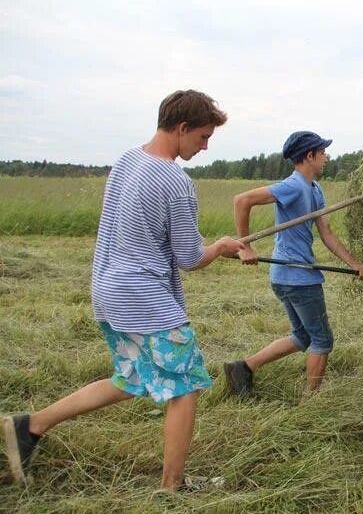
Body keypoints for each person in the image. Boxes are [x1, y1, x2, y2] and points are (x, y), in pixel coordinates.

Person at [3, 90, 245, 491]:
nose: (204, 147)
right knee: (185, 388)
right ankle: (173, 487)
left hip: (107, 289)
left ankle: (31, 425)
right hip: (143, 297)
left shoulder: (127, 161)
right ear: (182, 128)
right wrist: (220, 247)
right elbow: (188, 257)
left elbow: (146, 235)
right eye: (202, 137)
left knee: (131, 377)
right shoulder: (176, 180)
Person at [224, 131, 363, 396]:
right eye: (323, 152)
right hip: (297, 276)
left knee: (302, 337)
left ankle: (243, 367)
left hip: (286, 276)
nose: (326, 157)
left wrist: (355, 264)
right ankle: (311, 401)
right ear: (309, 155)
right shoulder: (293, 185)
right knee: (322, 340)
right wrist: (245, 245)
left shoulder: (315, 188)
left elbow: (327, 234)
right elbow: (241, 200)